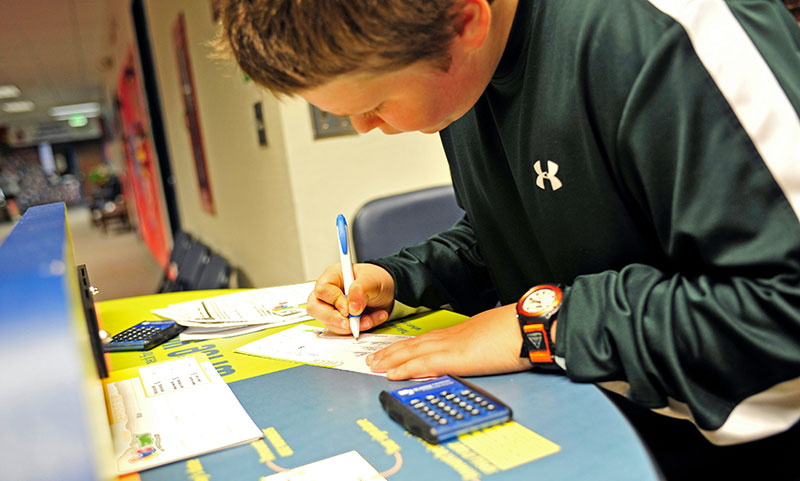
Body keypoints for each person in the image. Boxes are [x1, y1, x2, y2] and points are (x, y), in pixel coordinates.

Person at [217, 0, 800, 478]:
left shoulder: (661, 32)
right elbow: (515, 230)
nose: (366, 128)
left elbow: (781, 306)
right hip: (596, 416)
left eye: (372, 105)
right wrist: (400, 277)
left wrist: (542, 326)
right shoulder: (468, 78)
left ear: (466, 21)